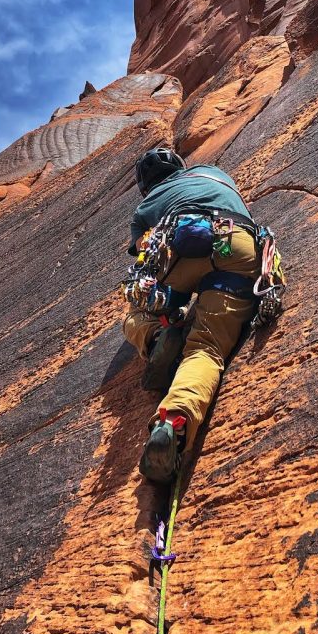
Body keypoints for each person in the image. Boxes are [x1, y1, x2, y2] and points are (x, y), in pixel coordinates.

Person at [123, 145, 260, 483]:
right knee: (207, 348)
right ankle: (173, 422)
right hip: (234, 244)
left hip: (177, 252)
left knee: (139, 307)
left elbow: (143, 254)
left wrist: (172, 304)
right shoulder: (215, 174)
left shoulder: (145, 206)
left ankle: (157, 337)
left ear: (145, 185)